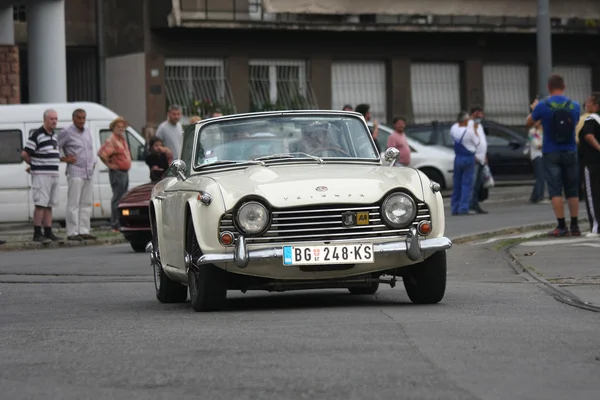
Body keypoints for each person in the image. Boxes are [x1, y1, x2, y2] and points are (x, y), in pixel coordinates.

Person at [526, 74, 581, 237]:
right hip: (570, 150)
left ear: (549, 88)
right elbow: (575, 123)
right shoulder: (574, 105)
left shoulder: (543, 105)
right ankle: (576, 226)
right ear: (564, 86)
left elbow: (528, 123)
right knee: (572, 190)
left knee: (555, 190)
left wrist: (535, 109)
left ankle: (561, 226)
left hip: (551, 151)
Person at [21, 109, 64, 244]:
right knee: (40, 204)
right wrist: (35, 166)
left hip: (53, 174)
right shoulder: (37, 134)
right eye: (51, 119)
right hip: (41, 175)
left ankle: (48, 231)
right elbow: (25, 154)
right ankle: (37, 232)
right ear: (45, 120)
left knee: (49, 204)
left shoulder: (54, 136)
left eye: (56, 119)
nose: (54, 121)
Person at [57, 109, 97, 241]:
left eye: (83, 118)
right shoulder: (67, 132)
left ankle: (84, 230)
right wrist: (64, 158)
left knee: (86, 203)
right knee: (74, 203)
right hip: (75, 171)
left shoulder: (87, 131)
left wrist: (93, 162)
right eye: (79, 118)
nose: (81, 121)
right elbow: (54, 146)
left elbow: (89, 149)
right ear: (73, 118)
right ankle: (72, 232)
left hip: (88, 171)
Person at [98, 117, 132, 232]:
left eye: (123, 127)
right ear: (113, 127)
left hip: (124, 172)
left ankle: (121, 222)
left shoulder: (121, 139)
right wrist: (110, 165)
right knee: (118, 198)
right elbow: (102, 154)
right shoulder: (112, 140)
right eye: (119, 127)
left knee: (123, 197)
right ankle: (115, 224)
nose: (121, 129)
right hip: (117, 172)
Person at [577, 94, 600, 237]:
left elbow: (588, 135)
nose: (586, 104)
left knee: (592, 195)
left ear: (596, 106)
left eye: (589, 103)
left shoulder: (591, 119)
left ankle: (596, 227)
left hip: (591, 162)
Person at [450, 111, 479, 216]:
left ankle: (454, 208)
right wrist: (475, 129)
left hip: (457, 157)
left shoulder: (453, 128)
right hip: (468, 157)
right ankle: (463, 208)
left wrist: (469, 119)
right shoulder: (469, 131)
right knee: (466, 184)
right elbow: (477, 142)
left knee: (457, 183)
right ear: (466, 120)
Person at [469, 106, 488, 214]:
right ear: (475, 113)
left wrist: (484, 155)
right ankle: (471, 204)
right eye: (480, 114)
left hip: (481, 158)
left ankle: (475, 203)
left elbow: (481, 140)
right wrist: (474, 155)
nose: (482, 116)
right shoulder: (470, 125)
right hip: (475, 158)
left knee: (478, 183)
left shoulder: (479, 125)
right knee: (473, 183)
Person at [528, 121, 547, 203]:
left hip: (543, 155)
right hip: (537, 156)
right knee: (540, 177)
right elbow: (537, 145)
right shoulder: (533, 132)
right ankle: (539, 196)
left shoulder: (544, 131)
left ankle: (534, 196)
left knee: (542, 177)